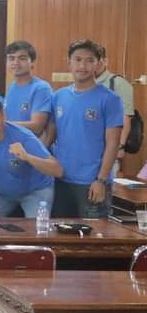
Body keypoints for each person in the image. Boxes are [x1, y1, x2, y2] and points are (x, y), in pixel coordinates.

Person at [51, 40, 124, 219]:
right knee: (59, 233)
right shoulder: (59, 96)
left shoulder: (110, 99)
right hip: (61, 179)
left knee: (94, 234)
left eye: (89, 60)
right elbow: (50, 136)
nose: (82, 66)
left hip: (92, 183)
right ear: (69, 63)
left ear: (98, 64)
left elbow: (113, 143)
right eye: (77, 60)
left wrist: (101, 180)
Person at [96, 45, 135, 175]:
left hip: (109, 148)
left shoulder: (118, 83)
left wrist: (120, 146)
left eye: (97, 60)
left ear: (105, 61)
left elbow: (126, 118)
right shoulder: (84, 83)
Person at [4, 40, 53, 140]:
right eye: (11, 58)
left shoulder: (41, 88)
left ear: (32, 62)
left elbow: (37, 127)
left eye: (22, 58)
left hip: (31, 146)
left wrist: (2, 125)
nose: (16, 63)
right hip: (13, 144)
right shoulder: (11, 87)